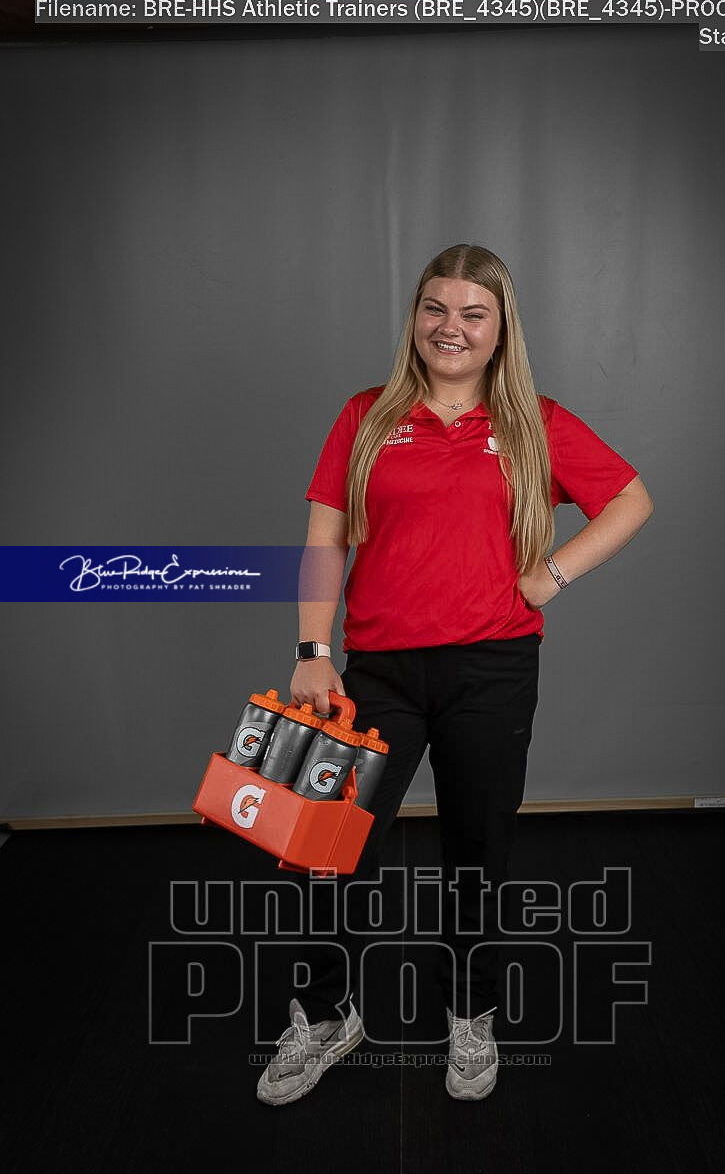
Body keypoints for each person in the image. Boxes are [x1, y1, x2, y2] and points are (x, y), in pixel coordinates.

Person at [257, 243, 654, 1107]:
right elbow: (325, 537)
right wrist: (313, 653)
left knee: (477, 856)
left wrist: (551, 574)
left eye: (474, 313)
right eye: (436, 308)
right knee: (324, 853)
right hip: (378, 675)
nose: (452, 328)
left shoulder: (534, 423)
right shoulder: (366, 416)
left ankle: (470, 1014)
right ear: (416, 318)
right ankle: (325, 1016)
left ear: (501, 328)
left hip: (492, 670)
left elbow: (631, 499)